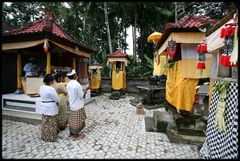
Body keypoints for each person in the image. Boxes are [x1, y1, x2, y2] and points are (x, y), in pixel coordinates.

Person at [66, 69, 87, 140]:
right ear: (75, 75)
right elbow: (81, 96)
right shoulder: (77, 84)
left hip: (72, 105)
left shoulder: (68, 84)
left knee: (72, 120)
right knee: (77, 121)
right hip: (78, 105)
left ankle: (71, 133)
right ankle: (76, 135)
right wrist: (85, 91)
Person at [39, 74, 60, 142]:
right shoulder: (51, 89)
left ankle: (45, 136)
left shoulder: (41, 87)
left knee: (45, 122)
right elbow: (56, 98)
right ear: (51, 81)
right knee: (51, 123)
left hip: (44, 106)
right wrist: (59, 101)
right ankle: (51, 137)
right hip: (51, 107)